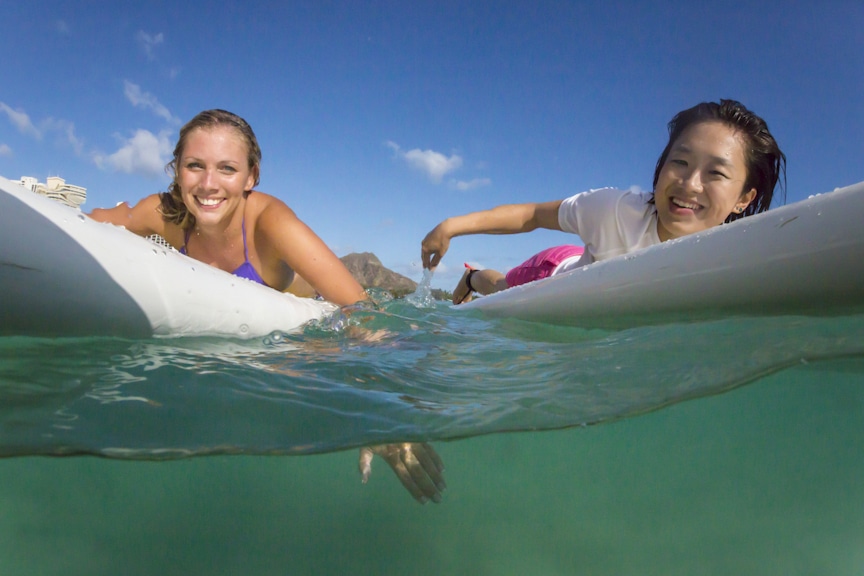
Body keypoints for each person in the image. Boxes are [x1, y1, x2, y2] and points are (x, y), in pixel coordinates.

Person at [90, 109, 445, 504]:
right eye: (194, 166)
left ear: (251, 176)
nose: (208, 184)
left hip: (307, 326)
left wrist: (378, 410)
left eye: (227, 168)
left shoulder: (270, 221)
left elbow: (363, 313)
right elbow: (93, 223)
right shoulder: (162, 212)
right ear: (176, 170)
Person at [421, 99, 786, 304]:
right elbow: (532, 215)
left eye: (716, 173)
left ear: (744, 198)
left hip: (594, 261)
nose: (690, 184)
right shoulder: (614, 210)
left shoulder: (733, 257)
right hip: (552, 272)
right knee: (504, 294)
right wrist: (450, 226)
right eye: (680, 161)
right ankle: (472, 278)